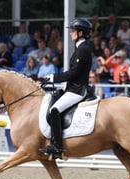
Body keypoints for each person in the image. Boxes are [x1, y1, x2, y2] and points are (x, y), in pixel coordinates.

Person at [38, 17, 93, 159]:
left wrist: (53, 78)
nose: (71, 33)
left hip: (77, 90)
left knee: (54, 110)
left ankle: (58, 147)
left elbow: (74, 73)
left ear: (81, 33)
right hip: (72, 87)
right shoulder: (80, 48)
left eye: (73, 31)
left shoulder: (84, 49)